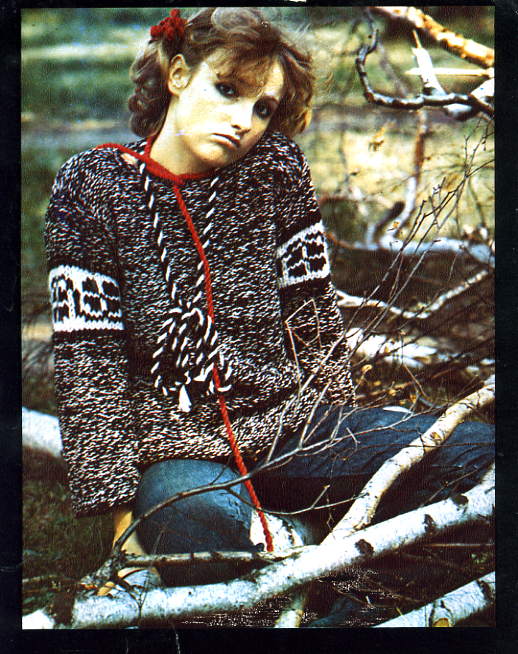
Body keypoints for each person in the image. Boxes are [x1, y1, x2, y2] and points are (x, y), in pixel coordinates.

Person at [45, 7, 493, 602]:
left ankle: (330, 575)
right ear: (177, 75)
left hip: (293, 431)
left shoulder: (275, 170)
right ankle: (301, 555)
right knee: (188, 521)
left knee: (478, 451)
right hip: (180, 461)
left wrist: (346, 450)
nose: (243, 121)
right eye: (227, 90)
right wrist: (124, 530)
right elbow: (89, 365)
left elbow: (313, 317)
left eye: (262, 108)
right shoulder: (93, 186)